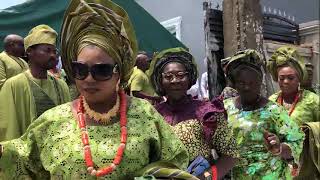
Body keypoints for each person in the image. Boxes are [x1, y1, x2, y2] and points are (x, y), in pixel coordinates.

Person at [0, 0, 194, 179]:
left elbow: (174, 162)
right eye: (80, 69)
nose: (89, 79)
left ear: (119, 72)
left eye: (102, 70)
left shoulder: (145, 114)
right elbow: (19, 158)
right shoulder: (51, 122)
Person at [150, 47, 238, 179]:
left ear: (189, 77)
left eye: (181, 75)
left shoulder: (207, 111)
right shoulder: (152, 114)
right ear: (160, 81)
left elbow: (231, 155)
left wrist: (204, 177)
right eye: (168, 76)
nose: (175, 80)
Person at [223, 49, 304, 179]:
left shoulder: (273, 110)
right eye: (242, 83)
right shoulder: (225, 108)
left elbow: (297, 141)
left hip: (271, 175)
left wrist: (279, 148)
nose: (247, 87)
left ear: (260, 83)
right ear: (234, 84)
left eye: (252, 83)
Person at [0, 25, 71, 141]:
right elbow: (9, 131)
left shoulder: (61, 85)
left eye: (54, 51)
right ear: (29, 52)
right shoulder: (12, 86)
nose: (53, 55)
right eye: (47, 50)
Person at [268, 46, 320, 126]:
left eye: (291, 78)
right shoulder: (272, 101)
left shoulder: (313, 101)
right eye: (281, 78)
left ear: (299, 78)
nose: (285, 82)